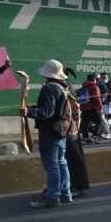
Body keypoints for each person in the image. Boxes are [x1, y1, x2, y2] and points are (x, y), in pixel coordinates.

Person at [22, 60, 72, 209]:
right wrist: (32, 109)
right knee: (61, 162)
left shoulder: (49, 88)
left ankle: (52, 197)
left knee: (52, 165)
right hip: (61, 129)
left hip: (50, 131)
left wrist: (29, 112)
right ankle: (65, 194)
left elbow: (46, 112)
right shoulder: (63, 87)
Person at [61, 68, 90, 199]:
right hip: (73, 129)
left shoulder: (63, 89)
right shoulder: (69, 87)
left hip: (68, 130)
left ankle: (75, 186)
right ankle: (79, 186)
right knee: (75, 158)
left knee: (70, 160)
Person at [78, 74, 103, 143]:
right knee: (99, 121)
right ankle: (94, 136)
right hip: (93, 108)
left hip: (84, 108)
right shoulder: (94, 87)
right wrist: (100, 107)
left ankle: (85, 137)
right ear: (94, 79)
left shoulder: (83, 87)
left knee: (85, 123)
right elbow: (97, 98)